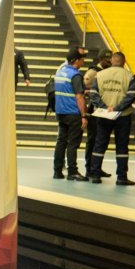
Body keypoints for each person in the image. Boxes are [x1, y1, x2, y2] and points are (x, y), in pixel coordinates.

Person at [87, 52, 135, 185]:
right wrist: (117, 108)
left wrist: (104, 108)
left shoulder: (100, 75)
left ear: (111, 60)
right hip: (123, 116)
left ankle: (95, 175)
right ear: (124, 61)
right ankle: (121, 177)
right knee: (122, 147)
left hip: (104, 115)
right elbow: (131, 96)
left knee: (99, 144)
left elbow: (93, 94)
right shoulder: (130, 76)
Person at [52, 47, 89, 181]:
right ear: (76, 61)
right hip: (73, 113)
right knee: (73, 144)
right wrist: (84, 116)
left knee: (61, 141)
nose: (83, 61)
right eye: (82, 59)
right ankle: (72, 171)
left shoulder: (61, 72)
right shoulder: (76, 75)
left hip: (61, 112)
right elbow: (79, 97)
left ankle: (57, 171)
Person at [83, 49, 113, 178]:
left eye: (110, 59)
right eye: (107, 59)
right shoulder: (93, 71)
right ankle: (89, 167)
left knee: (101, 141)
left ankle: (97, 167)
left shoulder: (108, 72)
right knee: (93, 140)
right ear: (101, 59)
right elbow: (83, 86)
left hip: (104, 110)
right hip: (94, 111)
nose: (109, 61)